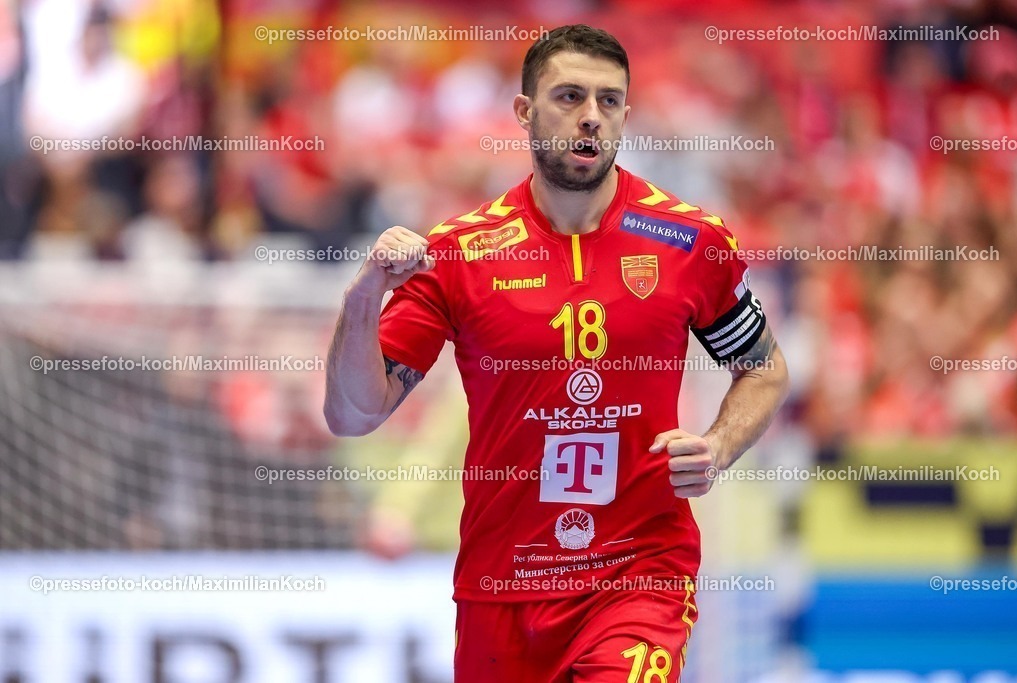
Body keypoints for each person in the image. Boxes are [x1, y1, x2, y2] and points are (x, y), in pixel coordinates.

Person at [324, 24, 789, 683]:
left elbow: (765, 369)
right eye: (569, 97)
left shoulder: (689, 240)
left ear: (627, 116)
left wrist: (719, 444)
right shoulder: (459, 254)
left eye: (608, 101)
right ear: (524, 112)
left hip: (637, 576)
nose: (590, 118)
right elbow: (353, 413)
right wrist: (366, 292)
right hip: (502, 591)